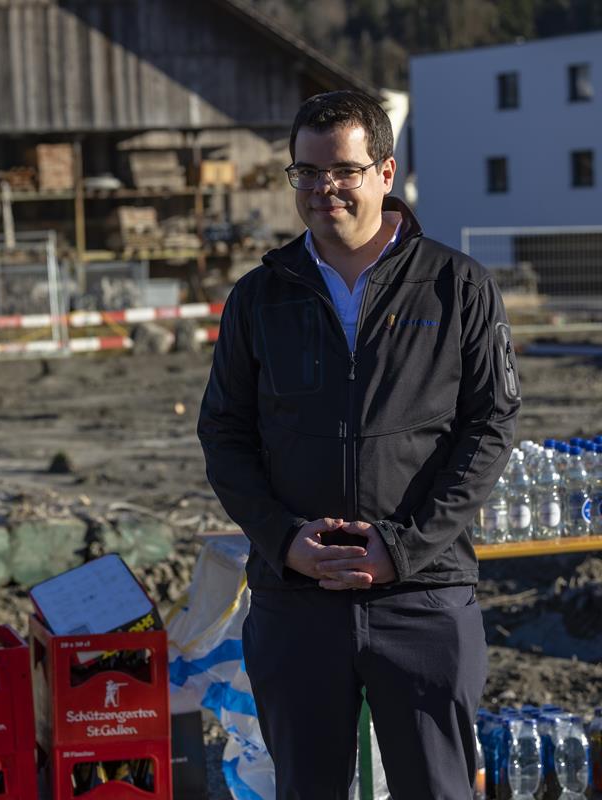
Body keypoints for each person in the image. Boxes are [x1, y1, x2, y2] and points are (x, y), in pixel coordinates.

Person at [197, 91, 520, 798]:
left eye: (344, 170)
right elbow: (223, 432)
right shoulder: (260, 297)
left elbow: (490, 425)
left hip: (423, 597)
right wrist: (284, 541)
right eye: (307, 172)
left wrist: (404, 548)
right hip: (298, 600)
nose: (325, 189)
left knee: (436, 788)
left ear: (385, 171)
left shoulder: (457, 286)